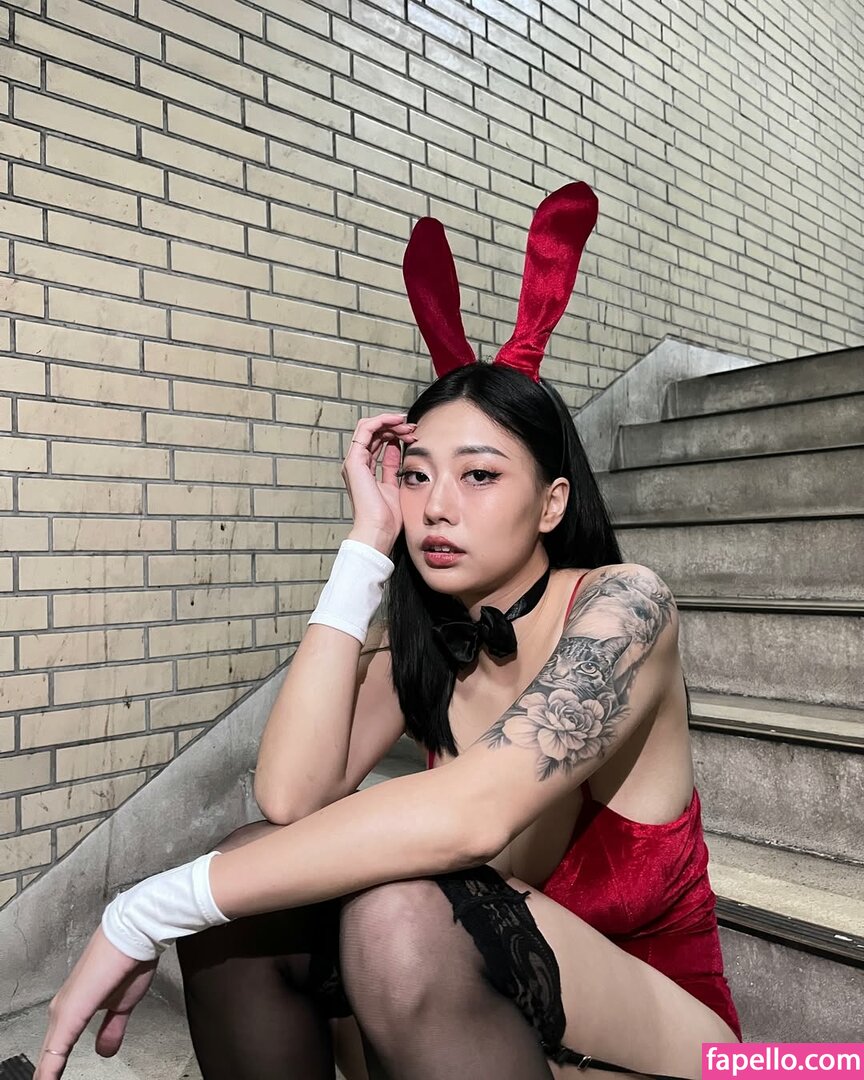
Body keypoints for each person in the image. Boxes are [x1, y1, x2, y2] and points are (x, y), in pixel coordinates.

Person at [35, 182, 741, 1079]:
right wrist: (364, 548)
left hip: (665, 1034)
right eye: (415, 475)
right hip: (471, 1010)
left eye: (479, 476)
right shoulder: (428, 646)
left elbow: (473, 813)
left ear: (552, 503)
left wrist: (147, 906)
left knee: (396, 915)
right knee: (254, 881)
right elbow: (289, 797)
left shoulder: (625, 608)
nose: (436, 506)